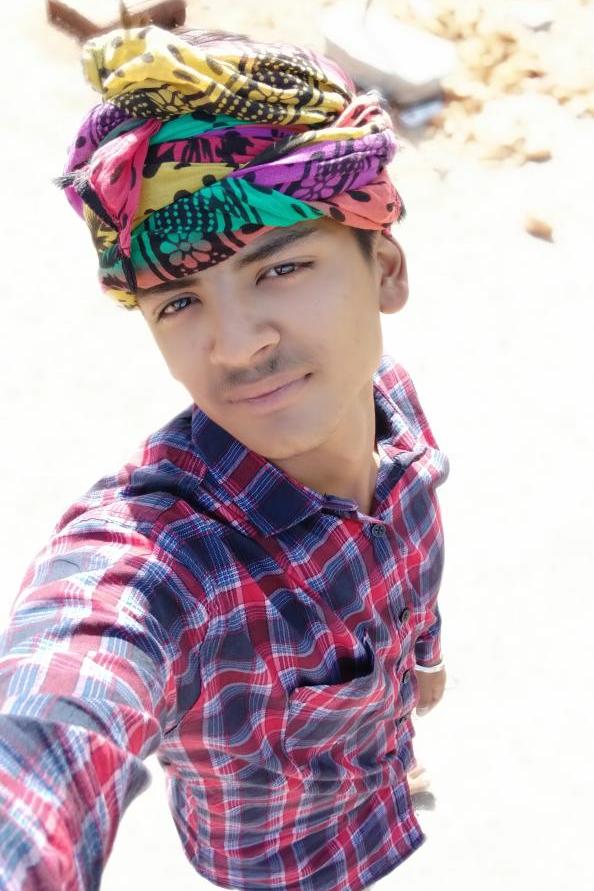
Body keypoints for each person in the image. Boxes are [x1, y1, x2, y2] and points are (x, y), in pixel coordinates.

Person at [0, 21, 449, 891]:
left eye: (280, 269)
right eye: (178, 303)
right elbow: (64, 695)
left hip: (379, 778)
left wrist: (418, 660)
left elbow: (408, 554)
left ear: (386, 268)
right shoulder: (167, 560)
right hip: (278, 863)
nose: (237, 345)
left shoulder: (392, 407)